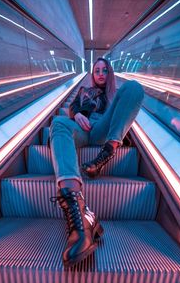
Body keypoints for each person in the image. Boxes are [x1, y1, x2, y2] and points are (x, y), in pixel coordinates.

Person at [50, 57, 144, 267]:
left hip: (104, 129)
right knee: (57, 122)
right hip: (82, 129)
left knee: (134, 87)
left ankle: (107, 152)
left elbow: (123, 114)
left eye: (104, 70)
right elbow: (72, 108)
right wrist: (76, 117)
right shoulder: (83, 91)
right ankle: (79, 210)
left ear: (109, 73)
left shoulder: (115, 95)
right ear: (92, 74)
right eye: (96, 70)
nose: (100, 73)